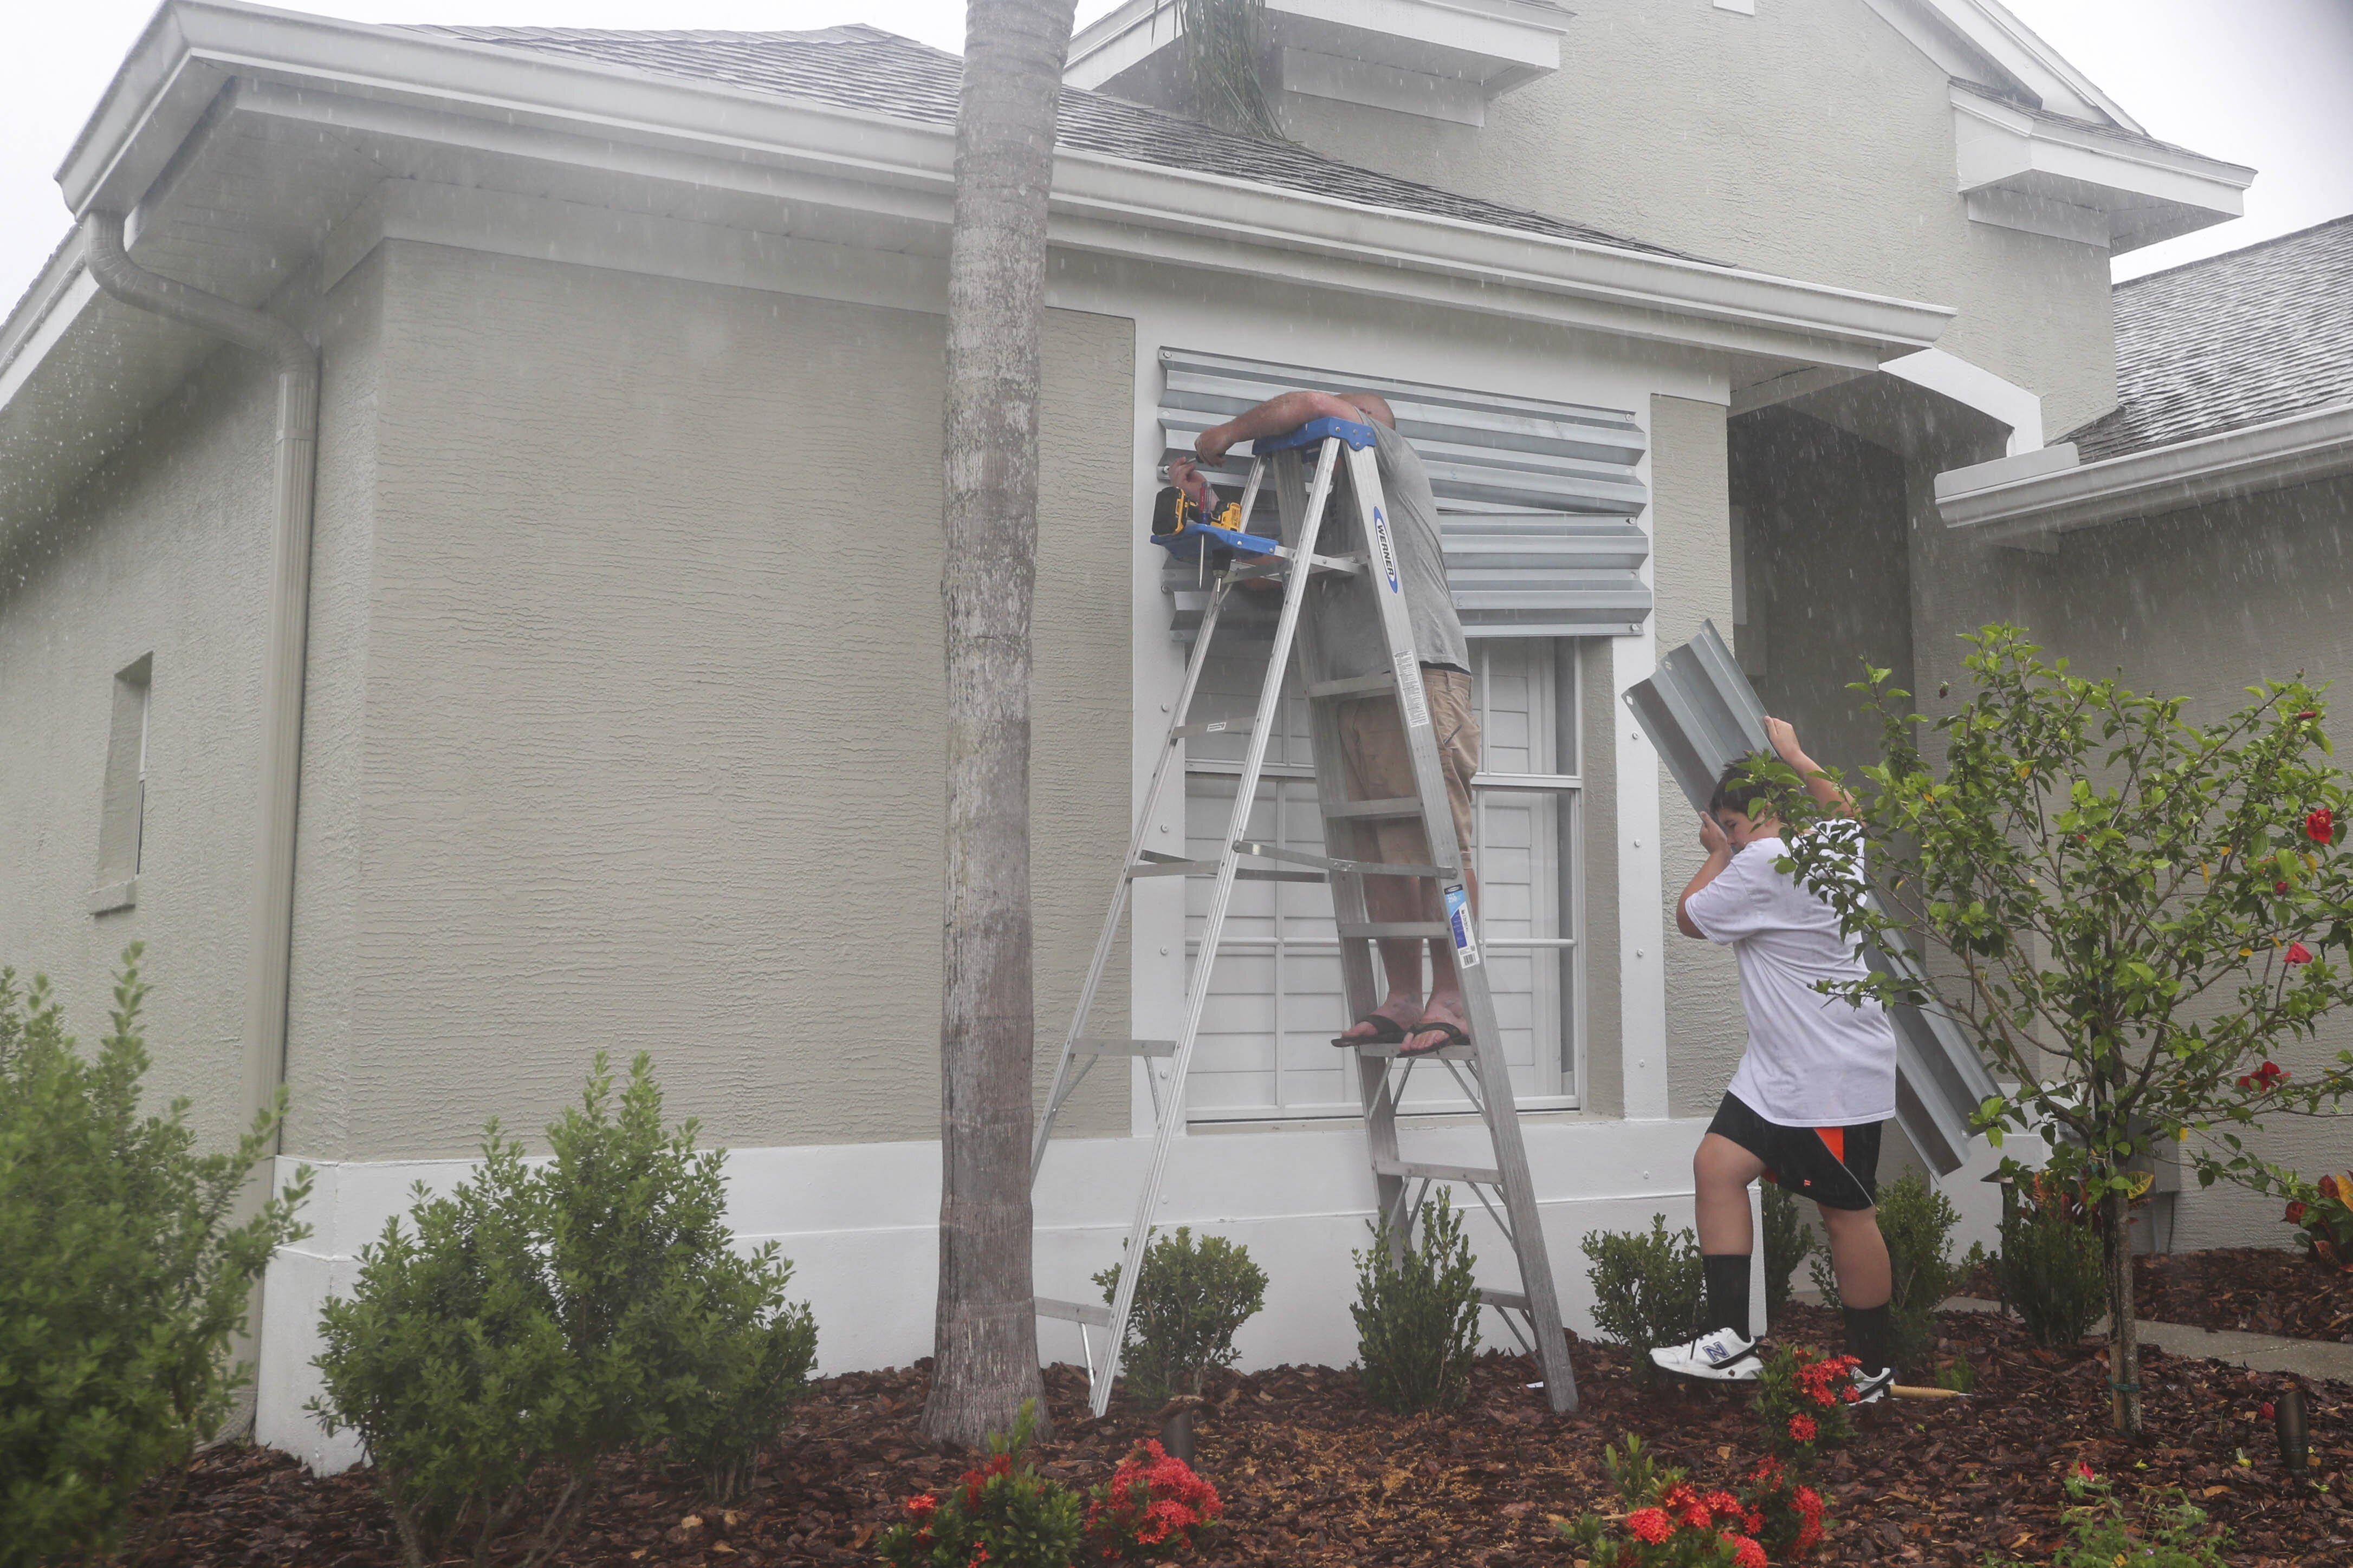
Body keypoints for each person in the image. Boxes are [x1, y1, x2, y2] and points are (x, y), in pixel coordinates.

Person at [1168, 388, 1475, 1058]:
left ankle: (1455, 997)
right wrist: (1205, 512)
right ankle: (1401, 998)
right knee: (1376, 852)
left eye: (1337, 428)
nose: (1320, 448)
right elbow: (1270, 583)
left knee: (1434, 845)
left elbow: (1315, 405)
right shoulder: (1331, 520)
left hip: (1418, 673)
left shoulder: (1389, 465)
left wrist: (1224, 432)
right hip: (1356, 689)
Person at [1648, 717, 1898, 1402]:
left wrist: (1715, 854)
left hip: (1828, 1078)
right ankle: (1729, 1341)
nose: (1724, 833)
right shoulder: (1831, 846)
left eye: (1729, 822)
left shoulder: (1758, 862)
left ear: (1755, 817)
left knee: (1847, 1217)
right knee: (1717, 1166)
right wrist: (1795, 751)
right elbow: (1843, 809)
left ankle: (1870, 1368)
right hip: (1778, 1073)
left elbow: (1689, 917)